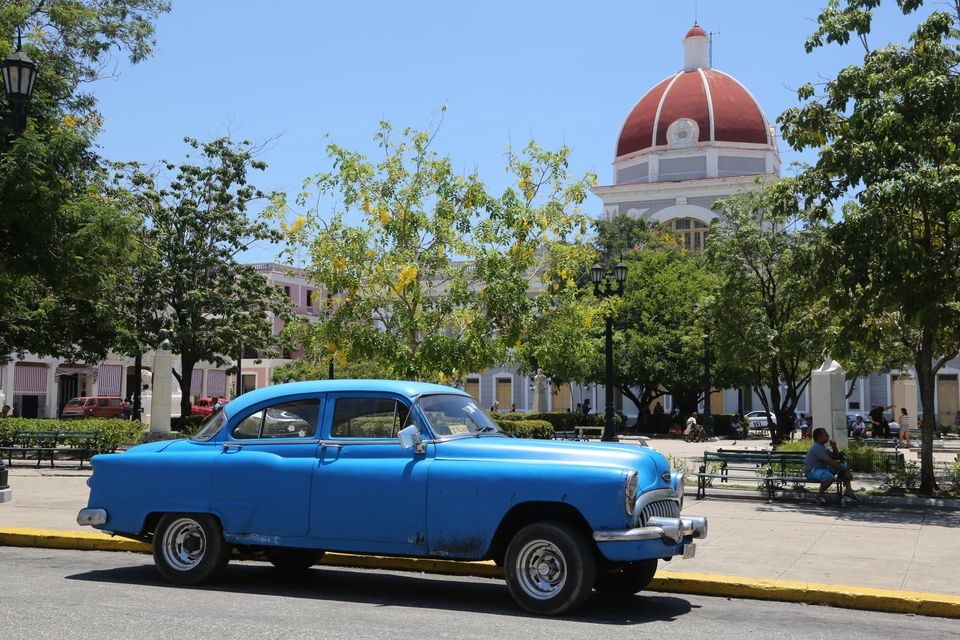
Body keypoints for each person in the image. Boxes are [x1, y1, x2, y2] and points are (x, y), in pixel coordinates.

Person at [804, 427, 859, 506]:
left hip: (822, 470)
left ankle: (848, 493)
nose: (828, 436)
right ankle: (818, 496)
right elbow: (831, 462)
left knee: (844, 465)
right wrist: (845, 470)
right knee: (830, 477)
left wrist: (834, 447)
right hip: (812, 472)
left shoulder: (823, 447)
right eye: (826, 435)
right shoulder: (817, 447)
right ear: (820, 437)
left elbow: (836, 457)